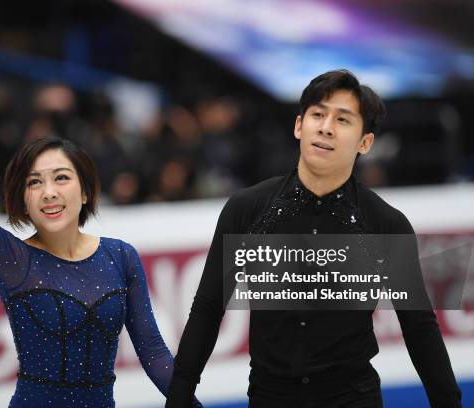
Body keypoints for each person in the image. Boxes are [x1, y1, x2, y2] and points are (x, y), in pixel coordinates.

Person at [0, 42, 202, 408]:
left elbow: (156, 356)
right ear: (23, 200)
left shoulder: (121, 257)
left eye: (61, 178)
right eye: (35, 182)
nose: (49, 192)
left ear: (84, 192)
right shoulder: (13, 260)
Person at [166, 70, 462, 407]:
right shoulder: (247, 210)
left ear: (365, 142)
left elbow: (418, 326)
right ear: (298, 126)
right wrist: (179, 395)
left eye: (343, 119)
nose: (325, 127)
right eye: (318, 114)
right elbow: (208, 308)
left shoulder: (384, 224)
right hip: (269, 399)